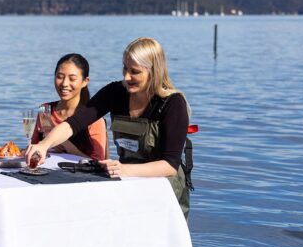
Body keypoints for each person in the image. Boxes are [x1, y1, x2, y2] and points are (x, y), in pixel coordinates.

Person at [25, 37, 193, 218]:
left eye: (134, 72)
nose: (126, 77)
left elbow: (169, 165)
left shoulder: (173, 103)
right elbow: (73, 124)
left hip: (164, 189)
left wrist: (125, 169)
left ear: (154, 72)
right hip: (127, 182)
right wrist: (44, 145)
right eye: (125, 68)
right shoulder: (115, 92)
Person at [30, 53, 109, 161]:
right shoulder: (46, 110)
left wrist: (64, 144)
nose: (64, 83)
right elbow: (34, 147)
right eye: (59, 77)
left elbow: (98, 163)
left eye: (72, 79)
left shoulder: (93, 117)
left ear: (85, 82)